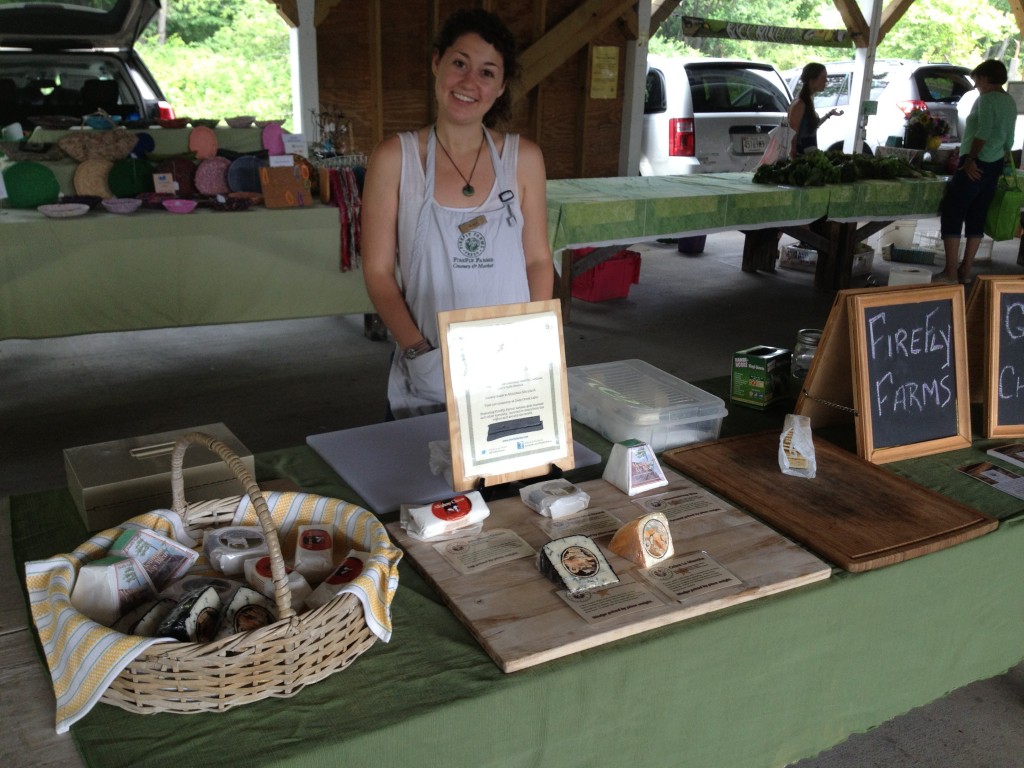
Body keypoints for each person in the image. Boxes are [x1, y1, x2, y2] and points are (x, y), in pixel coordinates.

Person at [361, 8, 554, 420]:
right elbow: (377, 272)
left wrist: (532, 340)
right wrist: (418, 348)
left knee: (510, 479)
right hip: (431, 362)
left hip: (512, 367)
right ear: (437, 63)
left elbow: (538, 259)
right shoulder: (395, 158)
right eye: (459, 64)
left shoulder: (523, 159)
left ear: (500, 87)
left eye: (487, 73)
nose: (469, 83)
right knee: (431, 475)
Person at [935, 59, 1018, 284]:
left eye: (976, 80)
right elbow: (1008, 140)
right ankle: (966, 270)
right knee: (977, 215)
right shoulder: (1009, 101)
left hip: (976, 163)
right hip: (996, 163)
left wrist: (970, 159)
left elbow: (982, 133)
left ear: (985, 78)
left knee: (953, 211)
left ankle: (950, 272)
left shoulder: (986, 100)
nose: (975, 85)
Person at [787, 62, 842, 158]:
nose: (826, 81)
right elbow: (792, 134)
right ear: (812, 80)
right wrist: (793, 157)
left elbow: (810, 128)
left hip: (809, 156)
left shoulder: (808, 101)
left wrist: (829, 115)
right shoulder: (800, 103)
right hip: (802, 157)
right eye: (823, 77)